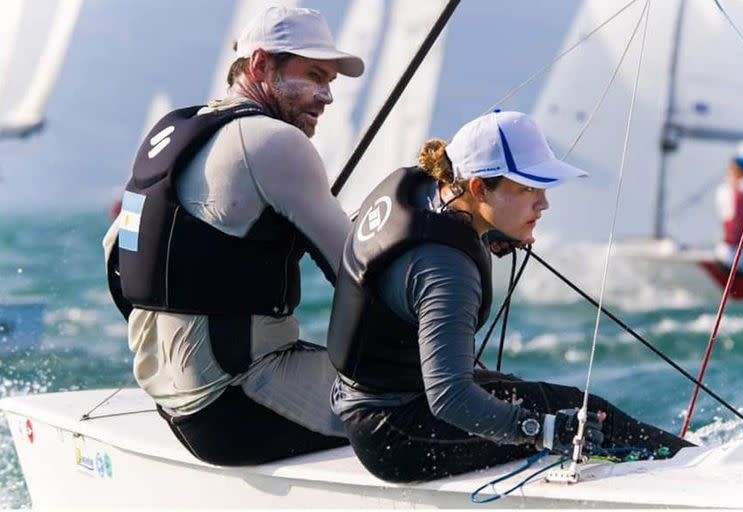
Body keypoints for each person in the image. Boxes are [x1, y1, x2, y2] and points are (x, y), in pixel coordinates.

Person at [326, 111, 694, 483]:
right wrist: (544, 432)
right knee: (594, 423)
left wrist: (484, 231)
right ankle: (695, 477)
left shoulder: (421, 186)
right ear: (478, 189)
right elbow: (449, 398)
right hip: (399, 435)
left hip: (377, 401)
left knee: (571, 406)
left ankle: (691, 462)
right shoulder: (445, 270)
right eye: (528, 189)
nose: (544, 203)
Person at [102, 6, 364, 465]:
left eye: (330, 83)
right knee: (465, 396)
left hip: (175, 403)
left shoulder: (173, 134)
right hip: (239, 405)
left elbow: (119, 258)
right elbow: (363, 275)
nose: (326, 96)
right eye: (314, 75)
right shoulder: (274, 141)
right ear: (261, 65)